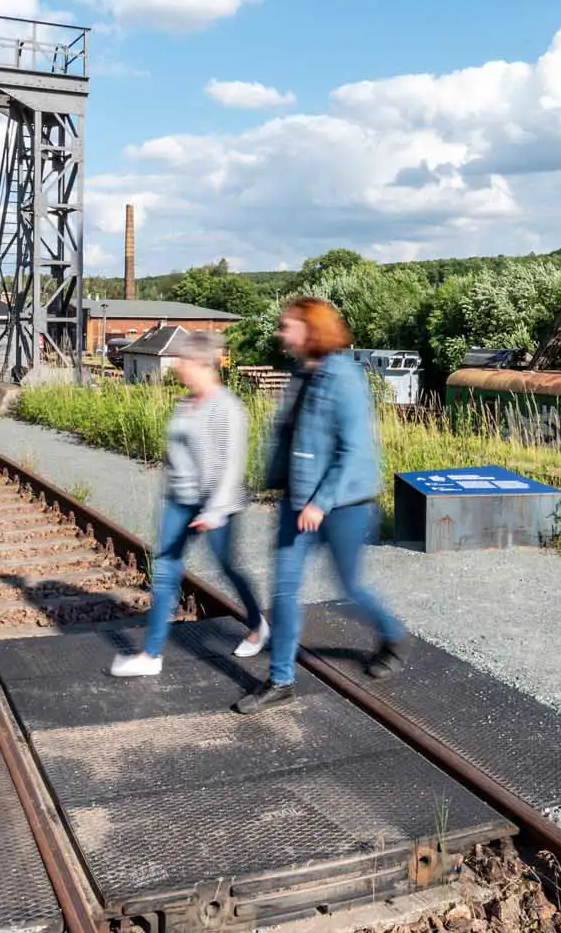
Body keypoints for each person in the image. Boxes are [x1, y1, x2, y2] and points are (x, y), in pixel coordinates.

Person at [236, 298, 408, 715]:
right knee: (285, 590)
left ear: (311, 329)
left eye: (287, 325)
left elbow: (351, 450)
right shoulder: (300, 372)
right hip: (296, 502)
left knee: (349, 588)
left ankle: (391, 633)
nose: (280, 332)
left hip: (344, 504)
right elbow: (294, 442)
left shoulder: (344, 376)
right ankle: (280, 679)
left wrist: (320, 502)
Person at [110, 332, 267, 677]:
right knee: (165, 574)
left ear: (201, 364)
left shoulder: (227, 407)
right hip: (179, 503)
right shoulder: (185, 403)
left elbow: (231, 465)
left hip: (215, 504)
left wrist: (213, 512)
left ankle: (258, 623)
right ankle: (151, 655)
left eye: (182, 362)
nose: (178, 367)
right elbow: (175, 455)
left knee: (227, 568)